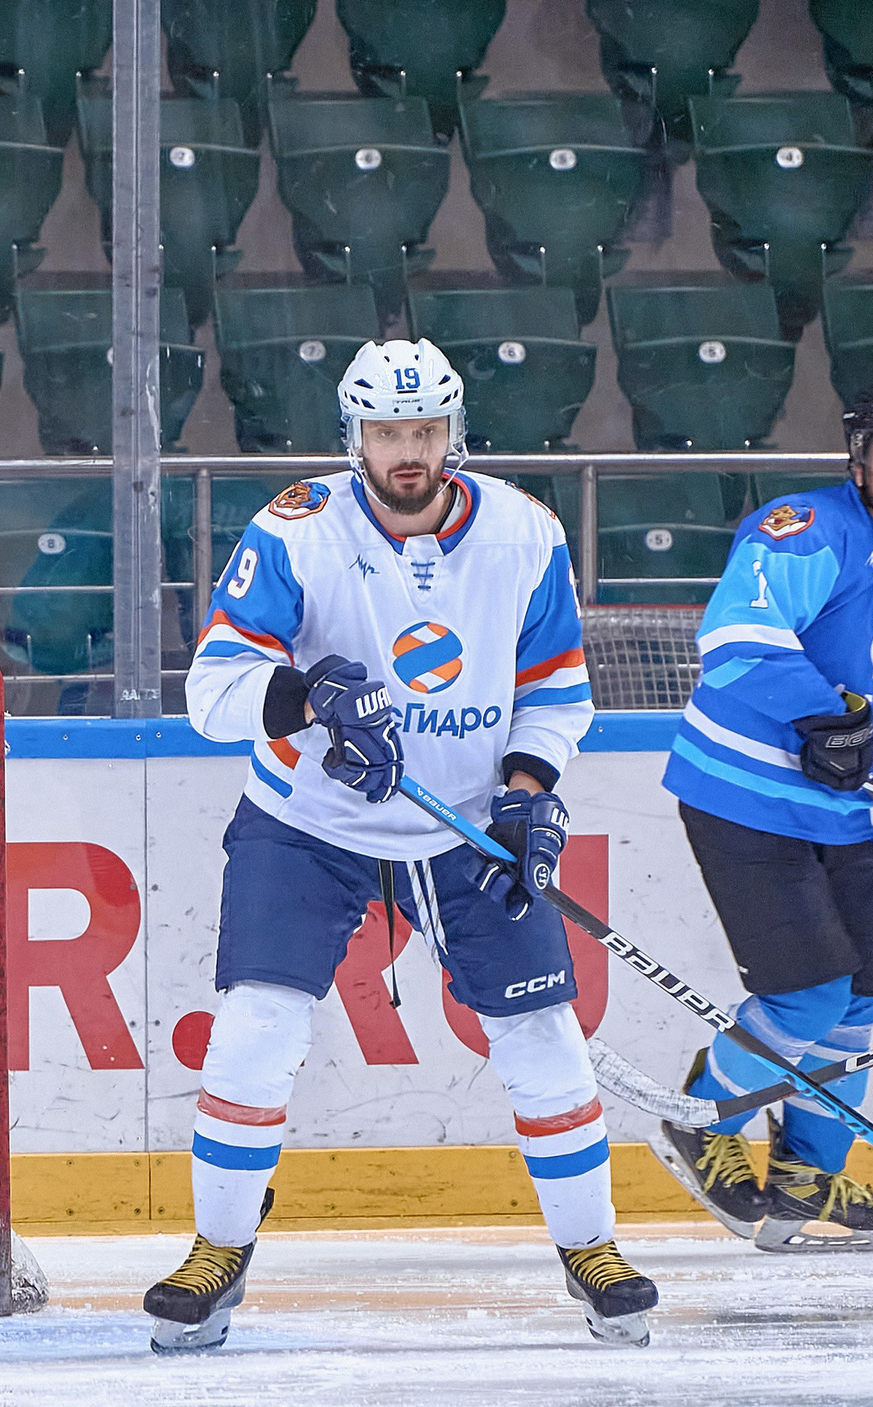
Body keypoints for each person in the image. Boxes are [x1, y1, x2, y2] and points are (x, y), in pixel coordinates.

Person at [148, 336, 655, 1354]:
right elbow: (211, 692)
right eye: (388, 431)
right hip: (307, 822)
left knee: (543, 1036)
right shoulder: (295, 531)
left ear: (453, 431)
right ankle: (217, 1249)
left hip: (462, 824)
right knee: (254, 1028)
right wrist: (308, 696)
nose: (408, 450)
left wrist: (526, 794)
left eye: (425, 429)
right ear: (355, 437)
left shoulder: (524, 532)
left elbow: (555, 688)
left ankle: (591, 1248)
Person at [654, 380, 873, 1253]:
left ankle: (805, 1176)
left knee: (863, 997)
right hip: (741, 793)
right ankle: (703, 1116)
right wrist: (822, 715)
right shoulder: (808, 529)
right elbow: (737, 640)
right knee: (807, 994)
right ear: (860, 458)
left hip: (834, 813)